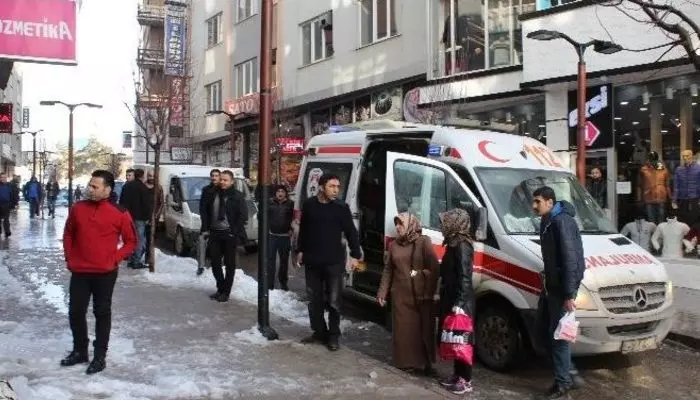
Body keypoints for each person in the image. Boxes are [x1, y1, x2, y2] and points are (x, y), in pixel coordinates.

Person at [60, 170, 137, 374]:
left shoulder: (119, 212)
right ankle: (80, 351)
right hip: (80, 271)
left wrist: (114, 258)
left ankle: (100, 356)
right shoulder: (78, 208)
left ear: (107, 189)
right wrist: (69, 257)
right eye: (89, 184)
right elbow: (68, 233)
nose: (90, 189)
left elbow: (131, 242)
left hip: (105, 272)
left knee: (102, 312)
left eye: (95, 186)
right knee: (75, 312)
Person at [296, 173, 362, 351]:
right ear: (322, 187)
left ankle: (333, 336)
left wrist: (356, 255)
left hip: (334, 262)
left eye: (338, 187)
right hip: (312, 261)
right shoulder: (309, 205)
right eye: (332, 186)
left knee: (334, 301)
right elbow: (304, 230)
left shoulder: (341, 207)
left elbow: (351, 233)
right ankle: (319, 332)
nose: (336, 190)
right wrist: (300, 250)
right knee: (314, 300)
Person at [532, 186, 586, 399]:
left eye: (537, 201)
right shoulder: (548, 220)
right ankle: (567, 374)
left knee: (559, 337)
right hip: (551, 288)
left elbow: (571, 260)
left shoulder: (561, 222)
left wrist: (569, 294)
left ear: (549, 201)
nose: (534, 206)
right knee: (545, 333)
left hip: (560, 291)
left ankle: (563, 384)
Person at [377, 212, 439, 375]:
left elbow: (433, 268)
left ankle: (425, 364)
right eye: (396, 224)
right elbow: (388, 270)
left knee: (422, 331)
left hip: (421, 295)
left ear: (411, 225)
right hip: (401, 296)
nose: (397, 227)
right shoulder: (394, 246)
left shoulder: (423, 242)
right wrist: (382, 292)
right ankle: (405, 363)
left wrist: (426, 285)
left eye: (401, 224)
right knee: (404, 331)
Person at [435, 208, 476, 395]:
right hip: (451, 296)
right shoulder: (452, 243)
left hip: (461, 301)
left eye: (446, 221)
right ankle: (457, 375)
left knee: (462, 340)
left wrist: (459, 303)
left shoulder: (462, 245)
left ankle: (466, 380)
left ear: (456, 223)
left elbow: (465, 277)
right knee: (454, 339)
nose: (442, 226)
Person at [200, 170, 248, 302]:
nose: (222, 182)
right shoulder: (213, 193)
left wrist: (234, 232)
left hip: (229, 233)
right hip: (215, 232)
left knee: (229, 264)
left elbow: (243, 216)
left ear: (232, 181)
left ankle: (226, 292)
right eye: (221, 179)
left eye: (225, 180)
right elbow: (205, 210)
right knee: (215, 262)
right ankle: (220, 288)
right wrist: (205, 228)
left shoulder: (237, 196)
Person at [119, 169, 151, 269]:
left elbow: (121, 202)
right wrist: (148, 217)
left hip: (128, 217)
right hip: (139, 217)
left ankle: (131, 259)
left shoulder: (126, 186)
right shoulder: (142, 187)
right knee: (140, 239)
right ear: (142, 176)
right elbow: (146, 204)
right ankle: (136, 261)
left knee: (131, 238)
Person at [268, 185, 294, 291]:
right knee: (270, 261)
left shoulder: (291, 204)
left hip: (285, 237)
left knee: (284, 261)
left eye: (282, 191)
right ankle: (270, 283)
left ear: (285, 193)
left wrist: (292, 229)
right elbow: (264, 217)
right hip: (272, 236)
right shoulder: (270, 203)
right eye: (278, 191)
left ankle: (283, 282)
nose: (280, 193)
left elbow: (294, 218)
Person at [144, 170, 164, 267]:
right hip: (143, 216)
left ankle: (148, 258)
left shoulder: (159, 188)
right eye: (149, 176)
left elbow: (161, 202)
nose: (150, 178)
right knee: (142, 239)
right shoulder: (143, 186)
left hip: (153, 217)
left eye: (152, 176)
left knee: (150, 239)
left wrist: (157, 215)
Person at [0, 173, 13, 238]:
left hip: (6, 205)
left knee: (6, 219)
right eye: (2, 177)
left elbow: (11, 195)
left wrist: (12, 204)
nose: (3, 179)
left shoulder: (9, 185)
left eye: (5, 177)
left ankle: (7, 232)